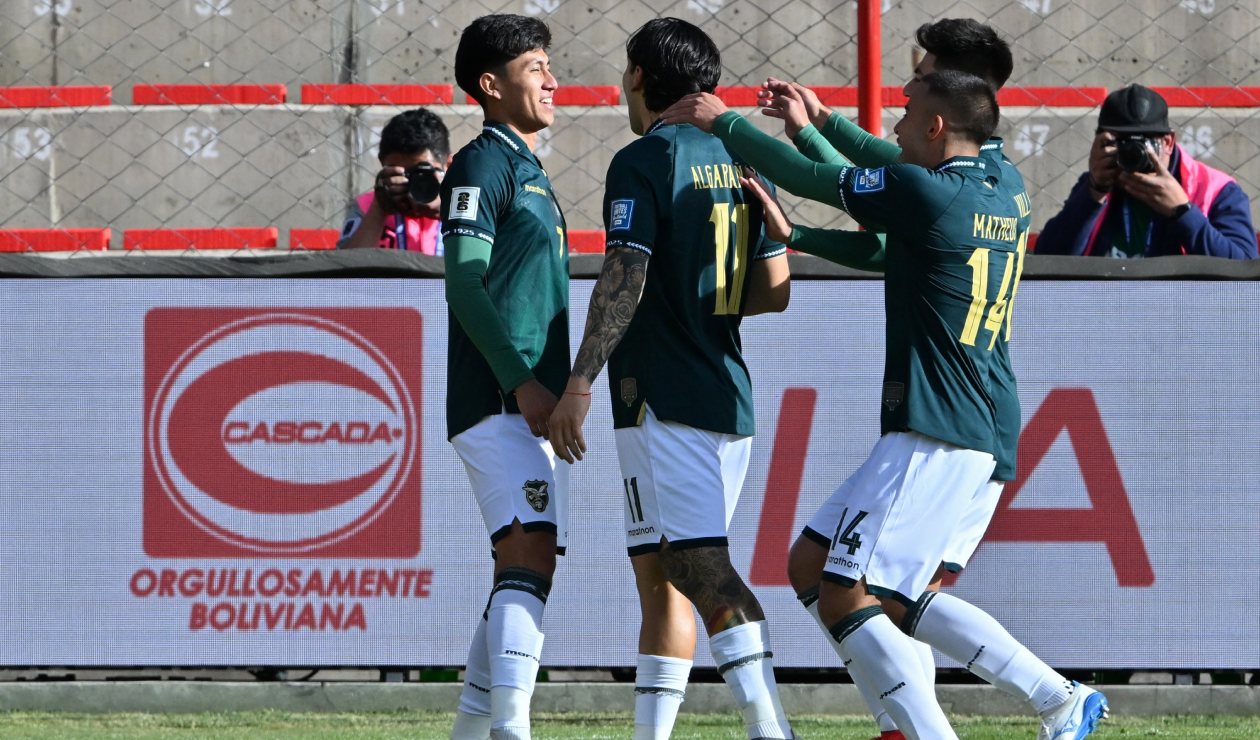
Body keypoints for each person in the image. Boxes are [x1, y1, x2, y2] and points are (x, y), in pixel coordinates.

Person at [663, 70, 1108, 739]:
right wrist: (812, 159)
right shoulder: (1004, 184)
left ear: (936, 124)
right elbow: (884, 239)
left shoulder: (927, 190)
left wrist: (724, 122)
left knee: (853, 590)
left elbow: (820, 179)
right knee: (827, 570)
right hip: (973, 418)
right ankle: (1033, 701)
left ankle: (969, 720)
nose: (894, 127)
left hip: (940, 424)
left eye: (906, 109)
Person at [545, 18, 795, 740]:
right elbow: (773, 291)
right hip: (724, 392)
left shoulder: (644, 158)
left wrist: (579, 382)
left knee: (702, 572)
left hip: (662, 397)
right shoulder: (741, 154)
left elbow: (624, 274)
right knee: (663, 574)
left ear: (638, 77)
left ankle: (772, 729)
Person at [442, 14, 569, 740]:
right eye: (535, 68)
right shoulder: (482, 164)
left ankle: (475, 730)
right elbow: (465, 283)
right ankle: (511, 729)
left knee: (521, 562)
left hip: (523, 402)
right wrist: (521, 380)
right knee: (530, 552)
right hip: (499, 399)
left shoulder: (526, 167)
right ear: (491, 85)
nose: (552, 81)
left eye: (550, 66)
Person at [1037, 83, 1256, 259]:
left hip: (1180, 301)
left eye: (1144, 142)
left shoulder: (1215, 190)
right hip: (1108, 300)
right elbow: (1047, 260)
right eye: (1122, 142)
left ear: (1168, 142)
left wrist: (1183, 212)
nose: (1134, 152)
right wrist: (1093, 193)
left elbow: (1243, 269)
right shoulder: (1098, 184)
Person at [337, 107, 451, 254]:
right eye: (401, 174)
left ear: (448, 165)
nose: (411, 182)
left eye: (421, 172)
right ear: (383, 166)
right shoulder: (366, 206)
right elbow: (348, 265)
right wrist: (379, 208)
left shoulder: (466, 205)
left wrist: (449, 211)